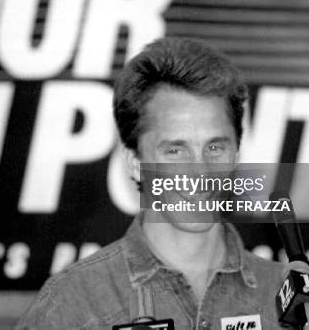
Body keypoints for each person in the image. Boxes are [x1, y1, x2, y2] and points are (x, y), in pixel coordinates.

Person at [17, 37, 289, 329]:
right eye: (175, 150)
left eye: (215, 147)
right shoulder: (74, 303)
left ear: (236, 154)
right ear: (135, 163)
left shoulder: (288, 297)